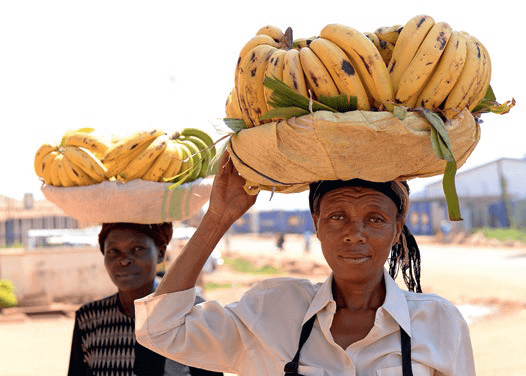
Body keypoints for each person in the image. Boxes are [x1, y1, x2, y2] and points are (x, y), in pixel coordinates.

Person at [134, 152, 476, 375]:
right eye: (337, 216)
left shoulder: (438, 322)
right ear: (316, 223)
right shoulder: (272, 310)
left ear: (396, 228)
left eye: (374, 219)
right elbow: (161, 330)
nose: (354, 234)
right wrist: (218, 218)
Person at [67, 221, 223, 376]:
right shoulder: (89, 318)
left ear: (161, 253)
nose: (124, 260)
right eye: (113, 251)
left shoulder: (190, 313)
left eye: (137, 249)